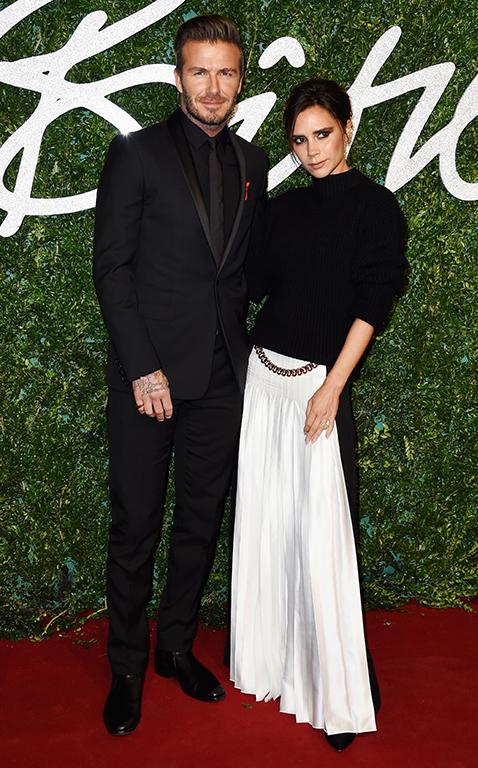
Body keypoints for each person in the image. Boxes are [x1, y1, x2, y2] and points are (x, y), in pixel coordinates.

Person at [92, 15, 268, 736]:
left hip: (223, 377)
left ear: (240, 80)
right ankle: (128, 665)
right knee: (136, 525)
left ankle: (174, 647)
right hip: (150, 379)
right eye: (201, 71)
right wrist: (143, 367)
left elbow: (246, 272)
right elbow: (112, 269)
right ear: (178, 76)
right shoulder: (134, 154)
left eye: (226, 72)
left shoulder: (256, 163)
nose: (213, 86)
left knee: (200, 523)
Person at [230, 78, 408, 752]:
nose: (310, 150)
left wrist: (334, 388)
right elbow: (255, 284)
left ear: (348, 127)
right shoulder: (282, 210)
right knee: (269, 525)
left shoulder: (377, 209)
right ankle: (272, 663)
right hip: (264, 381)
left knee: (324, 539)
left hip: (316, 388)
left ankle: (340, 681)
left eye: (321, 135)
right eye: (299, 140)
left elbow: (372, 304)